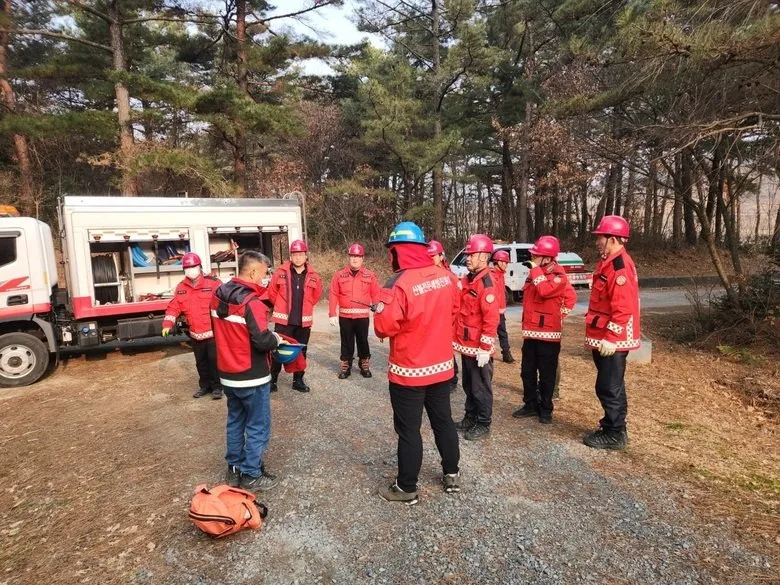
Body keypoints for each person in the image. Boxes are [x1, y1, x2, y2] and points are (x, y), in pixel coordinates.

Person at [375, 222, 461, 505]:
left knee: (409, 430)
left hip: (408, 370)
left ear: (398, 251)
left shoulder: (397, 284)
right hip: (441, 366)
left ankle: (407, 487)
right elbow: (454, 313)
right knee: (443, 421)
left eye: (392, 251)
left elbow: (384, 327)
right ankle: (451, 473)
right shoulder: (446, 277)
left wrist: (378, 310)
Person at [210, 251, 282, 491]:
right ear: (252, 272)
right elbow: (262, 341)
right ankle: (251, 474)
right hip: (252, 375)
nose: (266, 277)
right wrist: (277, 339)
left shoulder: (218, 295)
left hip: (228, 374)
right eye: (264, 273)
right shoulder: (252, 304)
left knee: (235, 422)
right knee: (258, 426)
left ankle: (234, 469)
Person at [583, 215, 641, 450]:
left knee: (609, 386)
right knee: (609, 384)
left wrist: (612, 338)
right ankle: (612, 426)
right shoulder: (609, 261)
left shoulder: (619, 266)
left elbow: (623, 307)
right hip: (605, 337)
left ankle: (615, 432)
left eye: (601, 238)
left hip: (613, 340)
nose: (598, 242)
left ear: (614, 239)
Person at [511, 236, 575, 424]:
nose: (532, 256)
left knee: (547, 374)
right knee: (527, 372)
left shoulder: (558, 275)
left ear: (547, 257)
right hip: (530, 333)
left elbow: (547, 291)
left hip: (549, 335)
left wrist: (558, 315)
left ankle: (546, 409)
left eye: (536, 255)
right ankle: (530, 404)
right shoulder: (535, 273)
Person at [453, 234, 500, 441]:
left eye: (471, 255)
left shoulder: (487, 284)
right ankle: (470, 416)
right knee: (469, 385)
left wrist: (485, 347)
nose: (468, 258)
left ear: (484, 256)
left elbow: (491, 319)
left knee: (481, 387)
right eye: (468, 255)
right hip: (467, 345)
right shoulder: (468, 280)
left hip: (479, 348)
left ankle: (483, 422)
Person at [162, 252, 222, 399]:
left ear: (200, 267)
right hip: (195, 333)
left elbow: (225, 303)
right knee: (200, 363)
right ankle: (204, 386)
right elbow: (174, 307)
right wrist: (167, 323)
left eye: (193, 267)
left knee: (214, 361)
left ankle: (217, 388)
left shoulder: (213, 283)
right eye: (187, 268)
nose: (191, 270)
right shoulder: (181, 287)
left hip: (212, 333)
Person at [267, 239, 323, 393]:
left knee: (301, 352)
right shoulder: (280, 273)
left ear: (306, 256)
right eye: (294, 254)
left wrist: (305, 308)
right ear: (290, 256)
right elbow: (272, 293)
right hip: (283, 321)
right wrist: (280, 306)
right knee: (277, 349)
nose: (297, 257)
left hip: (303, 323)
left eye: (300, 254)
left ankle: (298, 380)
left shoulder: (314, 276)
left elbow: (316, 295)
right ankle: (273, 380)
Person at [328, 243, 380, 379]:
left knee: (363, 341)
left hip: (362, 316)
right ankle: (346, 366)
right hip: (345, 316)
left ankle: (364, 364)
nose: (355, 259)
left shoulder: (370, 275)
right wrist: (332, 314)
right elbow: (333, 294)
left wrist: (377, 310)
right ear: (348, 257)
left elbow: (376, 293)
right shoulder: (339, 275)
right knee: (346, 342)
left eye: (357, 256)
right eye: (352, 256)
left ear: (362, 258)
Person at [428, 240, 460, 393]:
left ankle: (452, 378)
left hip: (446, 321)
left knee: (446, 350)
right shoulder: (425, 276)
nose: (430, 258)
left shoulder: (450, 277)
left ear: (441, 256)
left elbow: (457, 304)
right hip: (432, 322)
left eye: (433, 255)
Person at [491, 250, 515, 363]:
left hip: (500, 312)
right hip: (492, 311)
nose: (505, 264)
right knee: (490, 333)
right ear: (497, 262)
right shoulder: (492, 275)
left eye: (507, 262)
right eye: (503, 262)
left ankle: (506, 353)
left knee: (503, 333)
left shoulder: (501, 275)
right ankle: (488, 354)